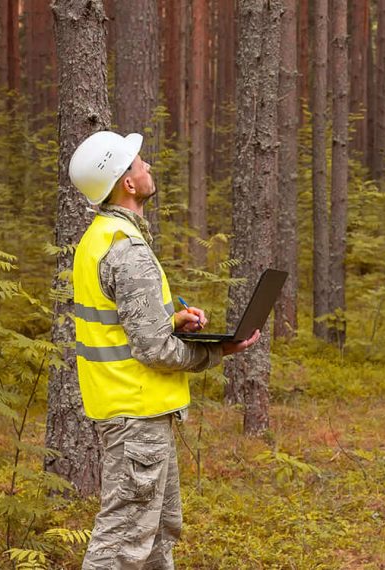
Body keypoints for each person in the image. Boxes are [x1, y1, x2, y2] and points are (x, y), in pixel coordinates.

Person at [68, 130, 260, 569]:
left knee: (157, 533)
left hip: (134, 411)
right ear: (128, 184)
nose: (148, 166)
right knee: (121, 544)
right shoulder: (126, 248)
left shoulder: (101, 238)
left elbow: (125, 326)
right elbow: (154, 350)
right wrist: (219, 352)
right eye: (139, 163)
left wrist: (173, 320)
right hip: (135, 415)